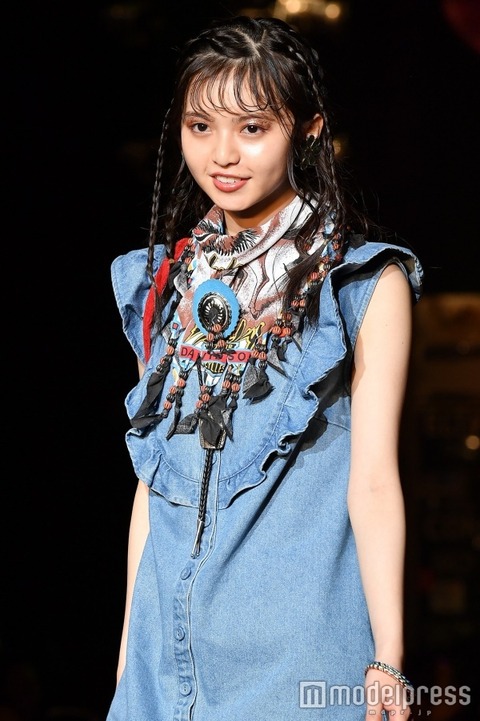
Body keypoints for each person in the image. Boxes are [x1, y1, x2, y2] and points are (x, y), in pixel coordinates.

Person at [106, 15, 423, 721]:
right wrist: (129, 656)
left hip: (295, 658)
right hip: (163, 660)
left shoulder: (360, 284)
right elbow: (153, 483)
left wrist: (388, 656)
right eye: (200, 127)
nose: (222, 153)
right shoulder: (164, 286)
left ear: (307, 130)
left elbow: (374, 479)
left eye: (252, 128)